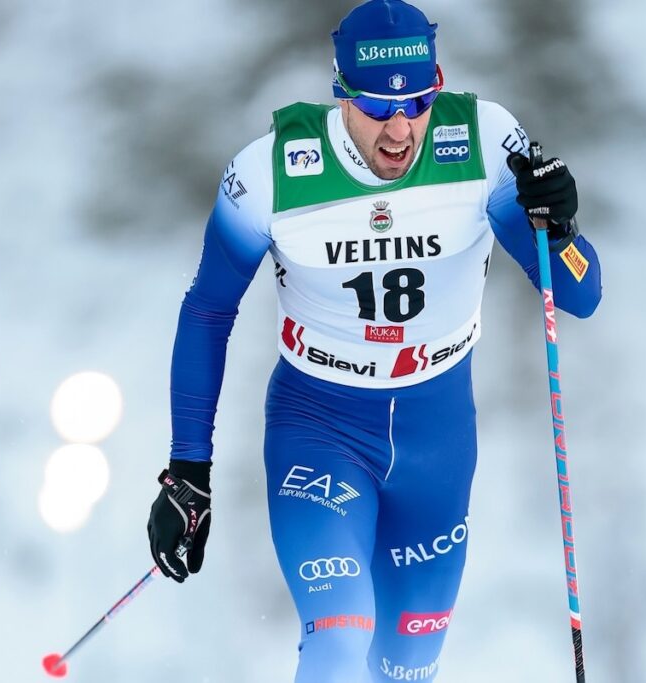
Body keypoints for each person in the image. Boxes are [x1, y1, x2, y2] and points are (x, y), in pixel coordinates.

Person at [146, 1, 602, 680]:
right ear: (342, 93)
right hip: (321, 426)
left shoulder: (482, 141)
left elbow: (581, 292)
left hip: (437, 439)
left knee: (405, 667)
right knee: (338, 637)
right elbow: (209, 309)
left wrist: (558, 229)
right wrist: (189, 468)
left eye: (417, 104)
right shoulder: (272, 172)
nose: (398, 131)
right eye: (376, 108)